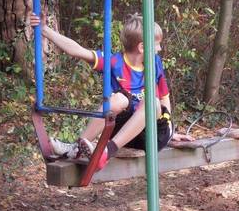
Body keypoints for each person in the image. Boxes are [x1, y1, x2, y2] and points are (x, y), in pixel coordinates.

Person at [29, 12, 190, 170]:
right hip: (125, 135)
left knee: (151, 102)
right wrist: (44, 29)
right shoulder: (114, 62)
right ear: (142, 47)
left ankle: (106, 151)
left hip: (152, 134)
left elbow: (163, 97)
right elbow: (77, 50)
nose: (159, 49)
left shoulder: (154, 63)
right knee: (117, 99)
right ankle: (76, 148)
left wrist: (170, 131)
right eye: (157, 44)